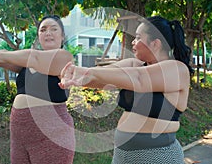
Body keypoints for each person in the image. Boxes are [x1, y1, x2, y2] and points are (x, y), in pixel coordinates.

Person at [59, 16, 193, 164]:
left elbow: (140, 79)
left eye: (138, 38)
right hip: (122, 155)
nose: (133, 42)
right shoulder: (135, 65)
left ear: (155, 44)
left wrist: (88, 72)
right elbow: (101, 76)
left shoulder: (177, 69)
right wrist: (77, 75)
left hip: (158, 155)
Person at [0, 15, 75, 164]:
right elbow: (6, 59)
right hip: (20, 135)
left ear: (62, 36)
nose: (48, 33)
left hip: (52, 134)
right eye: (43, 30)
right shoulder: (28, 63)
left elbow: (34, 57)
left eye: (54, 29)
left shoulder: (64, 58)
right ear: (38, 36)